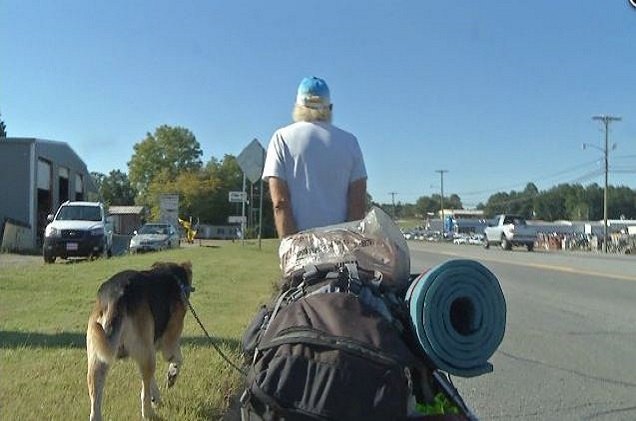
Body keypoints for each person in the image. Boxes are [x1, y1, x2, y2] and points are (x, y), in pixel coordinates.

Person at [262, 76, 367, 238]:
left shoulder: (281, 138)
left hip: (300, 252)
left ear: (297, 106)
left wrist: (293, 249)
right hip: (340, 252)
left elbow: (280, 203)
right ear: (329, 108)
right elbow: (358, 205)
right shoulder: (350, 142)